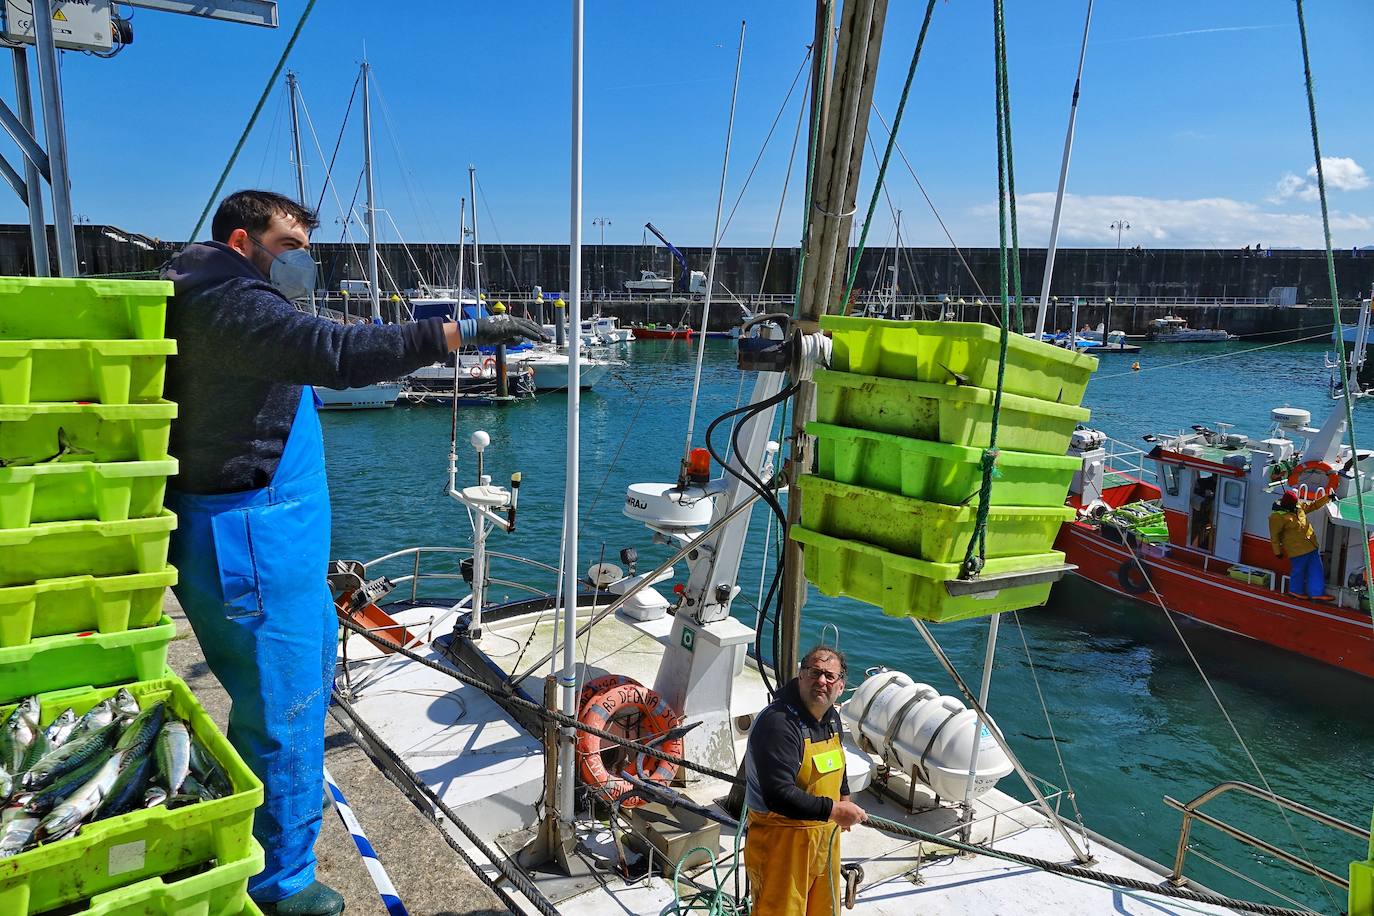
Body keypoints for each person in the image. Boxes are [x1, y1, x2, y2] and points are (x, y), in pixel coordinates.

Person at [161, 190, 548, 915]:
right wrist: (461, 333)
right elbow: (338, 353)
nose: (301, 259)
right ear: (242, 239)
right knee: (287, 709)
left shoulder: (207, 291)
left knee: (280, 694)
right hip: (254, 539)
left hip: (261, 537)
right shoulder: (235, 305)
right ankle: (280, 884)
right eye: (288, 244)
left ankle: (251, 843)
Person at [744, 645, 866, 916]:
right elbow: (778, 794)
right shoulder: (779, 724)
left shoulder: (831, 716)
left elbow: (838, 762)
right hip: (781, 845)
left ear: (841, 686)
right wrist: (835, 810)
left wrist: (844, 795)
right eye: (814, 672)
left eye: (829, 676)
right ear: (801, 675)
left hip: (824, 838)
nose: (822, 681)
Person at [1269, 488, 1336, 601]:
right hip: (1297, 549)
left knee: (1317, 569)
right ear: (1287, 504)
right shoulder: (1277, 517)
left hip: (1311, 545)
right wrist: (1277, 552)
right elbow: (1274, 536)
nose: (1297, 505)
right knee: (1298, 570)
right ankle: (1295, 590)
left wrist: (1327, 498)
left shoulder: (1297, 506)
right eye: (1294, 504)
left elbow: (1313, 506)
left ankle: (1316, 592)